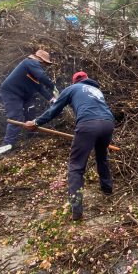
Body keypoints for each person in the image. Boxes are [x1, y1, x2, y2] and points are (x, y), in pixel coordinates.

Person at [23, 71, 115, 221]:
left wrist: (36, 122)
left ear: (74, 82)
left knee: (76, 167)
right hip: (108, 124)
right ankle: (107, 190)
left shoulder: (72, 89)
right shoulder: (96, 90)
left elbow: (55, 109)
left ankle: (76, 211)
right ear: (87, 79)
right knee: (102, 157)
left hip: (87, 124)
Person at [0, 49, 58, 148]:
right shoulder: (31, 62)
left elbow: (40, 88)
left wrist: (52, 99)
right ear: (40, 59)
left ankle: (31, 137)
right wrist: (53, 86)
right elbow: (42, 76)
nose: (44, 65)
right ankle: (7, 145)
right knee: (15, 117)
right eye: (44, 63)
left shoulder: (34, 69)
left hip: (24, 94)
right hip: (12, 92)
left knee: (31, 112)